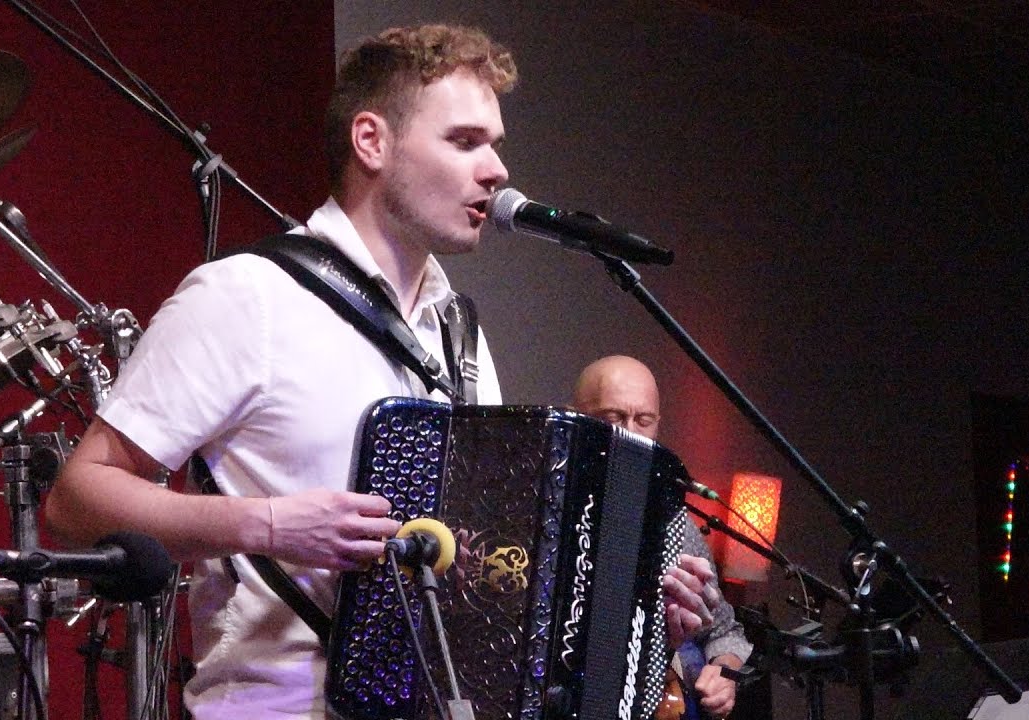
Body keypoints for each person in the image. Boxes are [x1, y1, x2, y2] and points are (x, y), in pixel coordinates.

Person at [46, 25, 714, 719]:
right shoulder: (248, 296)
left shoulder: (456, 328)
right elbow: (76, 500)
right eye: (464, 142)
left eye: (496, 144)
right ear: (372, 141)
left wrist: (623, 598)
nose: (496, 170)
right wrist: (267, 524)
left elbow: (477, 565)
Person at [573, 355, 753, 719]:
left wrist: (726, 670)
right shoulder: (547, 505)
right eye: (612, 419)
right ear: (577, 419)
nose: (630, 435)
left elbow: (724, 629)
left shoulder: (673, 523)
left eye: (644, 421)